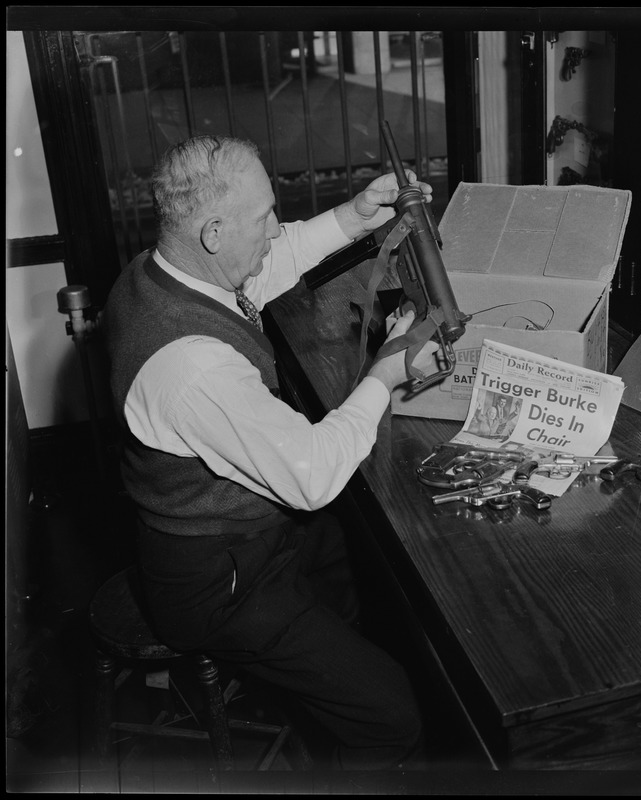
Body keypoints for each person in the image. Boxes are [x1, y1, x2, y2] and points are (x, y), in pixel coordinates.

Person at [103, 135, 438, 770]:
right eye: (263, 217)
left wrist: (354, 216)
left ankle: (332, 677)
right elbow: (311, 479)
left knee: (352, 555)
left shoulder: (161, 272)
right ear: (211, 232)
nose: (275, 228)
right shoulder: (191, 368)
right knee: (389, 713)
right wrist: (385, 373)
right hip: (215, 582)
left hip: (240, 539)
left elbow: (266, 263)